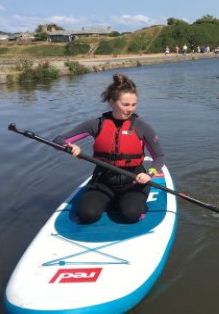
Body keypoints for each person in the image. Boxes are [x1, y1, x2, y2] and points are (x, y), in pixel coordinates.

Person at [52, 74, 165, 224]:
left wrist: (149, 173)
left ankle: (129, 202)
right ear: (111, 102)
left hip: (133, 181)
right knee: (87, 215)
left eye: (133, 104)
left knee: (131, 215)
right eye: (125, 104)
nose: (130, 109)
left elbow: (159, 157)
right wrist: (69, 147)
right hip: (103, 181)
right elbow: (57, 141)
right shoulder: (95, 124)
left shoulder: (141, 126)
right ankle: (109, 201)